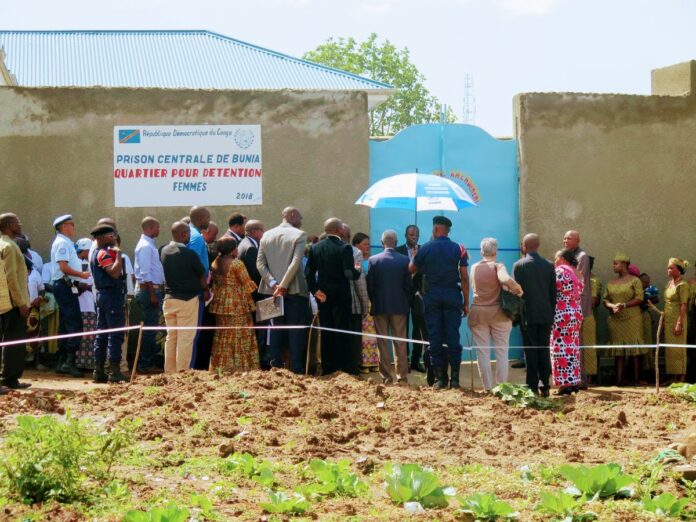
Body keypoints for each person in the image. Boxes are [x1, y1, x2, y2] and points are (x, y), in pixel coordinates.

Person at [410, 215, 469, 389]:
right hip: (452, 298)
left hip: (432, 299)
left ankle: (439, 379)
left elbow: (411, 270)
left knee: (434, 337)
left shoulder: (426, 248)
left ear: (435, 229)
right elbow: (464, 278)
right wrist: (466, 303)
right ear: (447, 230)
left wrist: (415, 257)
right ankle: (455, 380)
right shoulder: (459, 248)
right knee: (453, 338)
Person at [257, 207, 309, 374]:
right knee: (296, 332)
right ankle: (296, 370)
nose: (301, 222)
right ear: (292, 215)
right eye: (300, 217)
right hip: (294, 291)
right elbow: (295, 263)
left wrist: (273, 284)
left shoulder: (266, 235)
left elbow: (260, 264)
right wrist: (283, 286)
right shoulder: (299, 235)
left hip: (270, 292)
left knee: (274, 330)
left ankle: (275, 368)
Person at [305, 218, 361, 375]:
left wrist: (315, 291)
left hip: (323, 296)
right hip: (341, 297)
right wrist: (357, 269)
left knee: (327, 330)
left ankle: (328, 367)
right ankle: (344, 367)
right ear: (339, 230)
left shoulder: (315, 248)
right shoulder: (345, 248)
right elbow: (349, 274)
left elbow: (308, 274)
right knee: (343, 330)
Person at [468, 238, 523, 392]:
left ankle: (487, 387)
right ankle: (502, 386)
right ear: (495, 251)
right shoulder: (498, 265)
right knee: (502, 351)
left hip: (478, 313)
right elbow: (505, 279)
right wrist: (518, 289)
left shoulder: (474, 267)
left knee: (482, 352)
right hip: (499, 314)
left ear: (481, 252)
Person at [512, 233, 556, 396]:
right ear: (538, 245)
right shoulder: (549, 265)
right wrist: (550, 312)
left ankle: (531, 385)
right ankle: (545, 384)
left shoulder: (519, 265)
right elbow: (553, 293)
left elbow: (517, 293)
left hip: (528, 315)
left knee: (530, 350)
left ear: (525, 245)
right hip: (545, 315)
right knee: (544, 349)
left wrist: (516, 316)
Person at [161, 222, 207, 373]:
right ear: (184, 234)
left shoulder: (163, 251)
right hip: (187, 300)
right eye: (188, 233)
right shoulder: (189, 254)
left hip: (169, 299)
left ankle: (169, 372)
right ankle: (182, 373)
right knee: (186, 338)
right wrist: (205, 290)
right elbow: (201, 274)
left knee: (171, 337)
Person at [366, 229, 411, 384]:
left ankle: (386, 377)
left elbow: (370, 286)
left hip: (380, 306)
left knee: (382, 342)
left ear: (381, 243)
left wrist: (375, 300)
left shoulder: (373, 260)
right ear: (396, 243)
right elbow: (408, 286)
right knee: (400, 342)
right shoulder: (405, 260)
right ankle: (402, 376)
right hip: (399, 307)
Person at [209, 237, 259, 373]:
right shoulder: (236, 264)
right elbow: (248, 284)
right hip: (237, 303)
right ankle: (240, 367)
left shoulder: (215, 262)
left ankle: (221, 367)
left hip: (221, 303)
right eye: (236, 247)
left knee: (223, 335)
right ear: (232, 250)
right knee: (240, 334)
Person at [50, 214, 89, 377]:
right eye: (71, 224)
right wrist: (81, 274)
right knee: (75, 324)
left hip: (66, 286)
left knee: (66, 325)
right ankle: (68, 362)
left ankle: (62, 362)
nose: (73, 227)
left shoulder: (64, 242)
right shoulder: (62, 243)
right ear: (64, 226)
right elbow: (64, 267)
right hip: (64, 286)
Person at [90, 224, 127, 383]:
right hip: (111, 296)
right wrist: (118, 255)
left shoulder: (96, 253)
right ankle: (114, 372)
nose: (114, 238)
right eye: (111, 235)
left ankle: (99, 371)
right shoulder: (103, 254)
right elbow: (114, 272)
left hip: (103, 296)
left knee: (102, 334)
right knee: (115, 334)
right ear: (102, 237)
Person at [603, 253, 646, 386]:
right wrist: (611, 306)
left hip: (632, 317)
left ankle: (636, 379)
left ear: (625, 264)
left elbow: (639, 298)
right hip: (616, 319)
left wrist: (624, 305)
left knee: (634, 349)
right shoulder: (610, 283)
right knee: (619, 349)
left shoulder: (635, 280)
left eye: (616, 263)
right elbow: (605, 299)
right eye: (613, 263)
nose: (614, 266)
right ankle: (619, 379)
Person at [0, 213, 31, 390]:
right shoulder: (10, 246)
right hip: (13, 302)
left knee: (6, 340)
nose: (20, 224)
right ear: (10, 225)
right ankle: (10, 378)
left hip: (4, 301)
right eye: (17, 222)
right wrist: (20, 303)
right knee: (15, 341)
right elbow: (11, 277)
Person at [134, 217, 165, 373]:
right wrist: (153, 294)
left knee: (151, 329)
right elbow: (145, 273)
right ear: (151, 228)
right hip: (149, 291)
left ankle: (147, 362)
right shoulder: (146, 246)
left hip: (151, 290)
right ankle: (145, 364)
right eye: (157, 228)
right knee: (149, 329)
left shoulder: (148, 244)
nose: (159, 231)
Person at [550, 249, 583, 395]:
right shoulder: (577, 273)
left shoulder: (560, 272)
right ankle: (574, 381)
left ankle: (564, 385)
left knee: (560, 349)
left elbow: (552, 290)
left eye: (556, 258)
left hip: (562, 314)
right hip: (575, 313)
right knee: (572, 348)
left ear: (562, 259)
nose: (555, 261)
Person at [238, 219, 268, 368]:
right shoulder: (250, 248)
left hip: (250, 296)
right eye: (262, 230)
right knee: (259, 332)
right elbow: (254, 276)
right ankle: (259, 363)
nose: (263, 233)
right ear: (256, 231)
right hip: (255, 297)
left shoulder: (244, 244)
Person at [562, 230, 591, 386]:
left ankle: (581, 378)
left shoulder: (582, 257)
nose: (565, 240)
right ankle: (573, 377)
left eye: (569, 238)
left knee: (577, 341)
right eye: (564, 238)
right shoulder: (569, 256)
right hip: (568, 305)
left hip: (578, 303)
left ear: (577, 241)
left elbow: (577, 278)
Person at [396, 225, 426, 372]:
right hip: (402, 295)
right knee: (403, 328)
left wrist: (417, 261)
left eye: (416, 235)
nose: (414, 237)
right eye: (411, 235)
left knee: (418, 329)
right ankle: (404, 361)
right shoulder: (398, 250)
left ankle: (416, 360)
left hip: (418, 295)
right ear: (405, 235)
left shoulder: (423, 250)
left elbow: (426, 272)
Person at [187, 206, 212, 369]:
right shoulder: (196, 237)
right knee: (193, 334)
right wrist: (204, 288)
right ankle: (192, 368)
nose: (209, 221)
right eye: (208, 218)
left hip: (193, 288)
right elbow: (194, 264)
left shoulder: (192, 234)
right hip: (196, 290)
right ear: (201, 218)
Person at [350, 230, 377, 373]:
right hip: (361, 299)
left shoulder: (373, 260)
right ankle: (363, 362)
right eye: (365, 244)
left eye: (369, 244)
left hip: (372, 300)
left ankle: (373, 361)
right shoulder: (356, 261)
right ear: (356, 245)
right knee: (363, 332)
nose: (368, 247)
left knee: (372, 333)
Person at [663, 258, 689, 384]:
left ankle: (681, 377)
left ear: (679, 270)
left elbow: (684, 305)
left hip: (678, 319)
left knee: (679, 349)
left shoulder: (683, 285)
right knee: (670, 350)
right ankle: (672, 376)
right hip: (668, 319)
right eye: (668, 268)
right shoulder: (669, 284)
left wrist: (679, 323)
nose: (668, 270)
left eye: (671, 268)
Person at [74, 238, 97, 370]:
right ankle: (80, 363)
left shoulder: (89, 263)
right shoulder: (77, 265)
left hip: (89, 304)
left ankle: (87, 363)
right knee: (84, 335)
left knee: (89, 335)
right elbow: (75, 284)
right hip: (82, 304)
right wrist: (82, 287)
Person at [580, 257, 601, 385]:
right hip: (577, 316)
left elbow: (593, 301)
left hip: (588, 316)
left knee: (588, 346)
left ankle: (589, 377)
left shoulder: (593, 280)